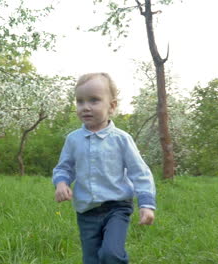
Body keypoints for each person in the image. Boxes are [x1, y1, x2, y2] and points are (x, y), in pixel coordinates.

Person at [52, 72, 156, 264]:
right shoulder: (73, 139)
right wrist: (61, 183)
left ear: (112, 106)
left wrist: (146, 204)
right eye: (80, 101)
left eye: (94, 100)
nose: (86, 107)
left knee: (111, 254)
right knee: (91, 260)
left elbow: (139, 173)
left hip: (116, 207)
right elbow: (63, 168)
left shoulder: (121, 139)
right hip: (86, 211)